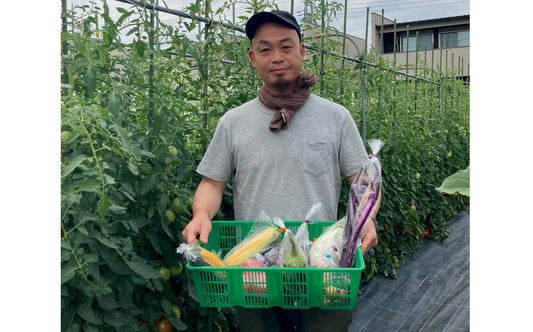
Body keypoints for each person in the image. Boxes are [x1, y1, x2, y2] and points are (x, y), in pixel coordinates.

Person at [182, 10, 380, 332]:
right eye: (265, 49)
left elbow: (363, 181)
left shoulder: (336, 117)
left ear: (302, 51)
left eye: (286, 47)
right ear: (252, 57)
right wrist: (201, 213)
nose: (277, 57)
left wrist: (368, 217)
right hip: (254, 265)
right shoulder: (233, 122)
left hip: (322, 261)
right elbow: (212, 182)